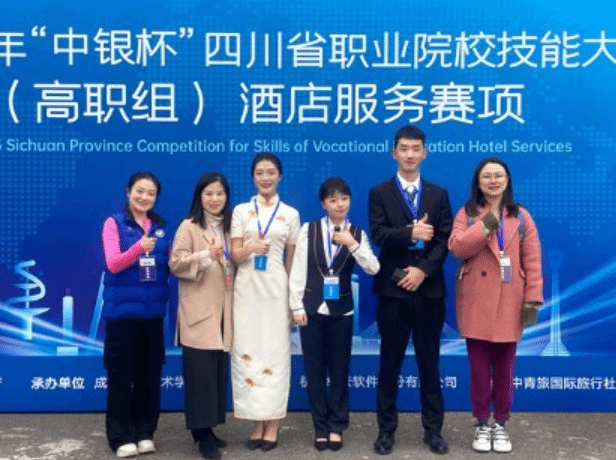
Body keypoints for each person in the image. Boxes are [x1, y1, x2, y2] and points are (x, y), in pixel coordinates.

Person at [448, 157, 543, 453]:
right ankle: (481, 423)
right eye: (487, 176)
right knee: (478, 370)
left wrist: (532, 300)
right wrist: (485, 225)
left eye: (498, 175)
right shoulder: (467, 213)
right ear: (478, 182)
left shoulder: (521, 217)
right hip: (476, 299)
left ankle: (501, 423)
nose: (493, 181)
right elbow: (457, 248)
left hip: (511, 299)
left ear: (507, 181)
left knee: (505, 369)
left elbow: (532, 261)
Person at [369, 125, 453, 455]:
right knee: (389, 363)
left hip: (428, 291)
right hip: (393, 291)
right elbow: (378, 235)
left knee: (429, 363)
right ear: (394, 153)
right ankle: (385, 431)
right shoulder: (379, 192)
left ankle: (433, 431)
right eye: (404, 148)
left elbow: (444, 240)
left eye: (416, 148)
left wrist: (422, 271)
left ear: (424, 153)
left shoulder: (438, 194)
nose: (409, 154)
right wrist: (410, 232)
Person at [289, 177, 380, 451]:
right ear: (323, 204)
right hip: (312, 309)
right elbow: (298, 269)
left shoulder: (357, 233)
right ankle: (320, 426)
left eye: (344, 199)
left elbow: (373, 268)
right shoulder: (309, 229)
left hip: (342, 310)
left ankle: (337, 425)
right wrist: (296, 306)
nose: (339, 204)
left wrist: (352, 244)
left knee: (340, 369)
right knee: (314, 370)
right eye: (333, 200)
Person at [230, 152, 300, 452]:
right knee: (247, 351)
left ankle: (273, 423)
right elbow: (234, 256)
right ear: (253, 177)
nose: (265, 178)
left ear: (279, 176)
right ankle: (255, 422)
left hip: (275, 291)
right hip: (246, 290)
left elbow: (292, 262)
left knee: (275, 354)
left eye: (271, 172)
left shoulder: (291, 214)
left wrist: (292, 300)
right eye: (259, 173)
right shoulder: (241, 211)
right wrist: (249, 248)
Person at [101, 171, 170, 458]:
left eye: (151, 193)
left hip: (152, 315)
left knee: (149, 378)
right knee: (120, 378)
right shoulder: (114, 223)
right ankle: (121, 438)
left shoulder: (161, 228)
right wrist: (138, 248)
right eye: (140, 191)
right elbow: (113, 263)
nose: (144, 197)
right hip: (122, 316)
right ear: (129, 192)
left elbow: (170, 266)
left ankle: (145, 433)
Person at [169, 172, 234, 460]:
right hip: (198, 311)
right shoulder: (189, 226)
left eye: (220, 193)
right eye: (209, 193)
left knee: (216, 372)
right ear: (199, 197)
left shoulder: (230, 227)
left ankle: (209, 428)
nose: (214, 199)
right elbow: (175, 263)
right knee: (199, 376)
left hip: (223, 311)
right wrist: (206, 255)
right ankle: (201, 435)